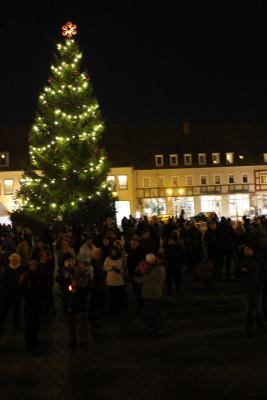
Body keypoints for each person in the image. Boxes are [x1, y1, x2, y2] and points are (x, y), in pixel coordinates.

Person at [134, 253, 166, 338]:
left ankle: (161, 330)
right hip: (149, 293)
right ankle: (152, 327)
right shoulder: (156, 267)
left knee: (155, 312)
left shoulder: (158, 269)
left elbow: (147, 278)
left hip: (153, 294)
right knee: (149, 312)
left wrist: (136, 278)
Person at [241, 245, 265, 337]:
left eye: (248, 249)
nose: (246, 251)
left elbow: (262, 274)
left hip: (256, 288)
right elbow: (238, 273)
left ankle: (261, 328)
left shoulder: (258, 261)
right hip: (246, 289)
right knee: (248, 311)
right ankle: (249, 329)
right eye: (245, 249)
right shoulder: (243, 261)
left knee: (258, 310)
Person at [20, 260, 42, 352]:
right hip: (29, 303)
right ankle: (29, 344)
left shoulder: (38, 275)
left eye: (35, 265)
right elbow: (22, 289)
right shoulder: (26, 276)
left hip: (36, 303)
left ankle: (34, 343)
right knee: (29, 324)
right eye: (32, 265)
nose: (33, 267)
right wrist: (25, 299)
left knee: (35, 324)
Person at [0, 253, 24, 332]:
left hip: (17, 292)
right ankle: (2, 324)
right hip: (7, 293)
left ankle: (16, 324)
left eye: (15, 260)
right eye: (12, 260)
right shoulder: (6, 269)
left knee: (16, 309)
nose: (14, 261)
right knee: (4, 310)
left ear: (18, 261)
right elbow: (3, 281)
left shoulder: (21, 269)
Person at [103, 246, 126, 318]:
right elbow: (104, 268)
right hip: (111, 281)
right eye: (112, 251)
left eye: (114, 251)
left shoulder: (121, 258)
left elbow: (124, 269)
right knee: (112, 297)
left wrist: (119, 270)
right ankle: (111, 312)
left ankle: (118, 311)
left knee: (118, 297)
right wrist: (110, 268)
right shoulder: (108, 258)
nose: (113, 252)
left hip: (119, 280)